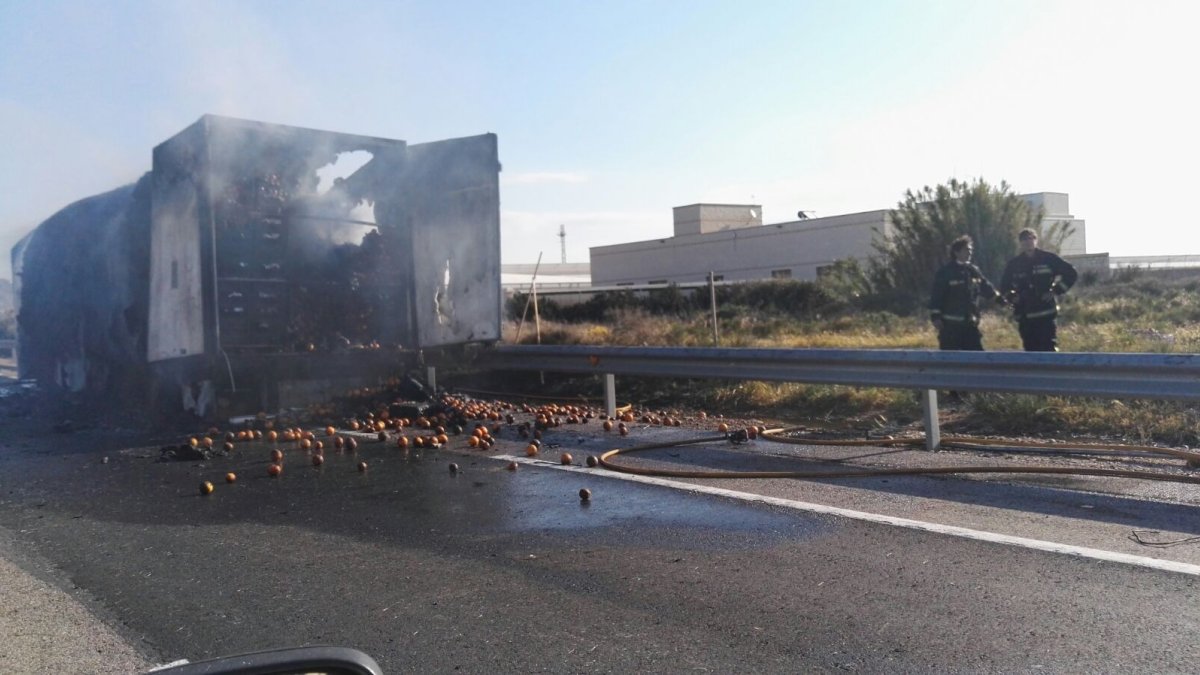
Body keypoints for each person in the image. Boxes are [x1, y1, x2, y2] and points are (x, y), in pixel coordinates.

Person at [999, 228, 1078, 352]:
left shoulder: (1048, 259)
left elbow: (1071, 273)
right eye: (1024, 240)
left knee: (1048, 349)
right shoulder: (1015, 264)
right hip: (1025, 315)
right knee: (1030, 351)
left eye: (1030, 239)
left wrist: (1055, 291)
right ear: (1020, 243)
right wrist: (1012, 297)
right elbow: (1004, 286)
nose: (1027, 242)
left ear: (1036, 240)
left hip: (1046, 313)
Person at [929, 235, 1002, 350]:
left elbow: (987, 288)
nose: (969, 253)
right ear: (956, 252)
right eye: (966, 250)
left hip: (970, 325)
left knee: (976, 357)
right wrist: (935, 316)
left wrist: (1002, 300)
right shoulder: (945, 272)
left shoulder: (973, 271)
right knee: (950, 358)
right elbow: (936, 295)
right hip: (950, 326)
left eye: (971, 250)